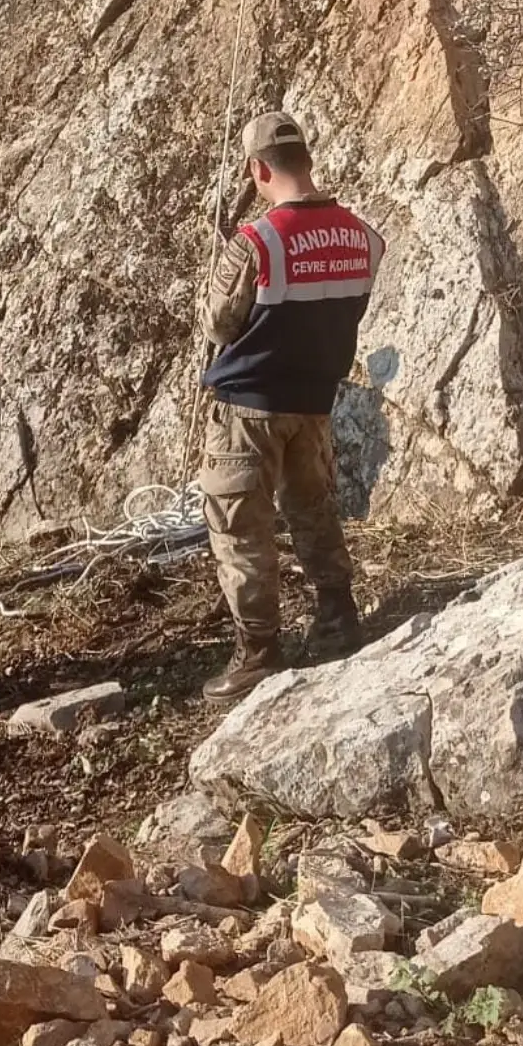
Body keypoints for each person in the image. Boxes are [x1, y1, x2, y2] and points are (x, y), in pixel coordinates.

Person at [199, 112, 385, 703]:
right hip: (314, 401)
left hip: (249, 408)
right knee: (314, 511)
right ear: (306, 159)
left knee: (240, 529)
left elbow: (218, 324)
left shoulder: (257, 241)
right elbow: (348, 308)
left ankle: (257, 651)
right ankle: (337, 617)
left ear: (258, 170)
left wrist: (223, 261)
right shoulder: (362, 235)